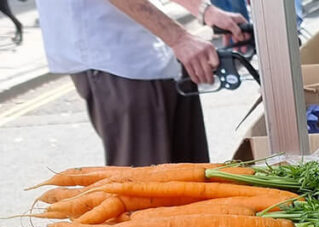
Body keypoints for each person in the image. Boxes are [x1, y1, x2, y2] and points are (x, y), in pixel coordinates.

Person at [35, 0, 247, 166]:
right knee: (143, 196)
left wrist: (204, 10)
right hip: (115, 60)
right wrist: (179, 39)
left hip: (158, 55)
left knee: (190, 185)